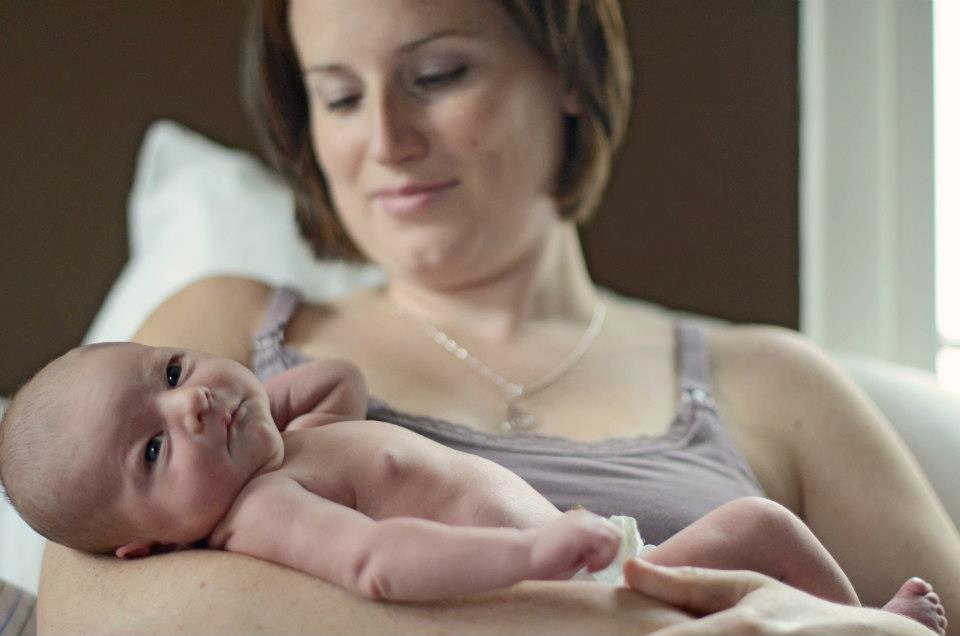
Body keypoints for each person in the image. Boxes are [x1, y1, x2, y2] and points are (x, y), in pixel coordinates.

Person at [37, 0, 959, 634]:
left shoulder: (775, 383)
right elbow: (84, 610)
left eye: (435, 74)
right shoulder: (222, 319)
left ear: (564, 69)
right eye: (341, 96)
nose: (387, 142)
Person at [8, 343, 943, 622]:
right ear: (143, 547)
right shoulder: (268, 513)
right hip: (569, 583)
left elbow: (344, 380)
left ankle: (867, 623)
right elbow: (378, 561)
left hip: (622, 565)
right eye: (152, 453)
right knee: (755, 539)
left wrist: (247, 399)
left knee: (763, 525)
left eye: (172, 375)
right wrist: (527, 551)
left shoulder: (289, 451)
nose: (191, 411)